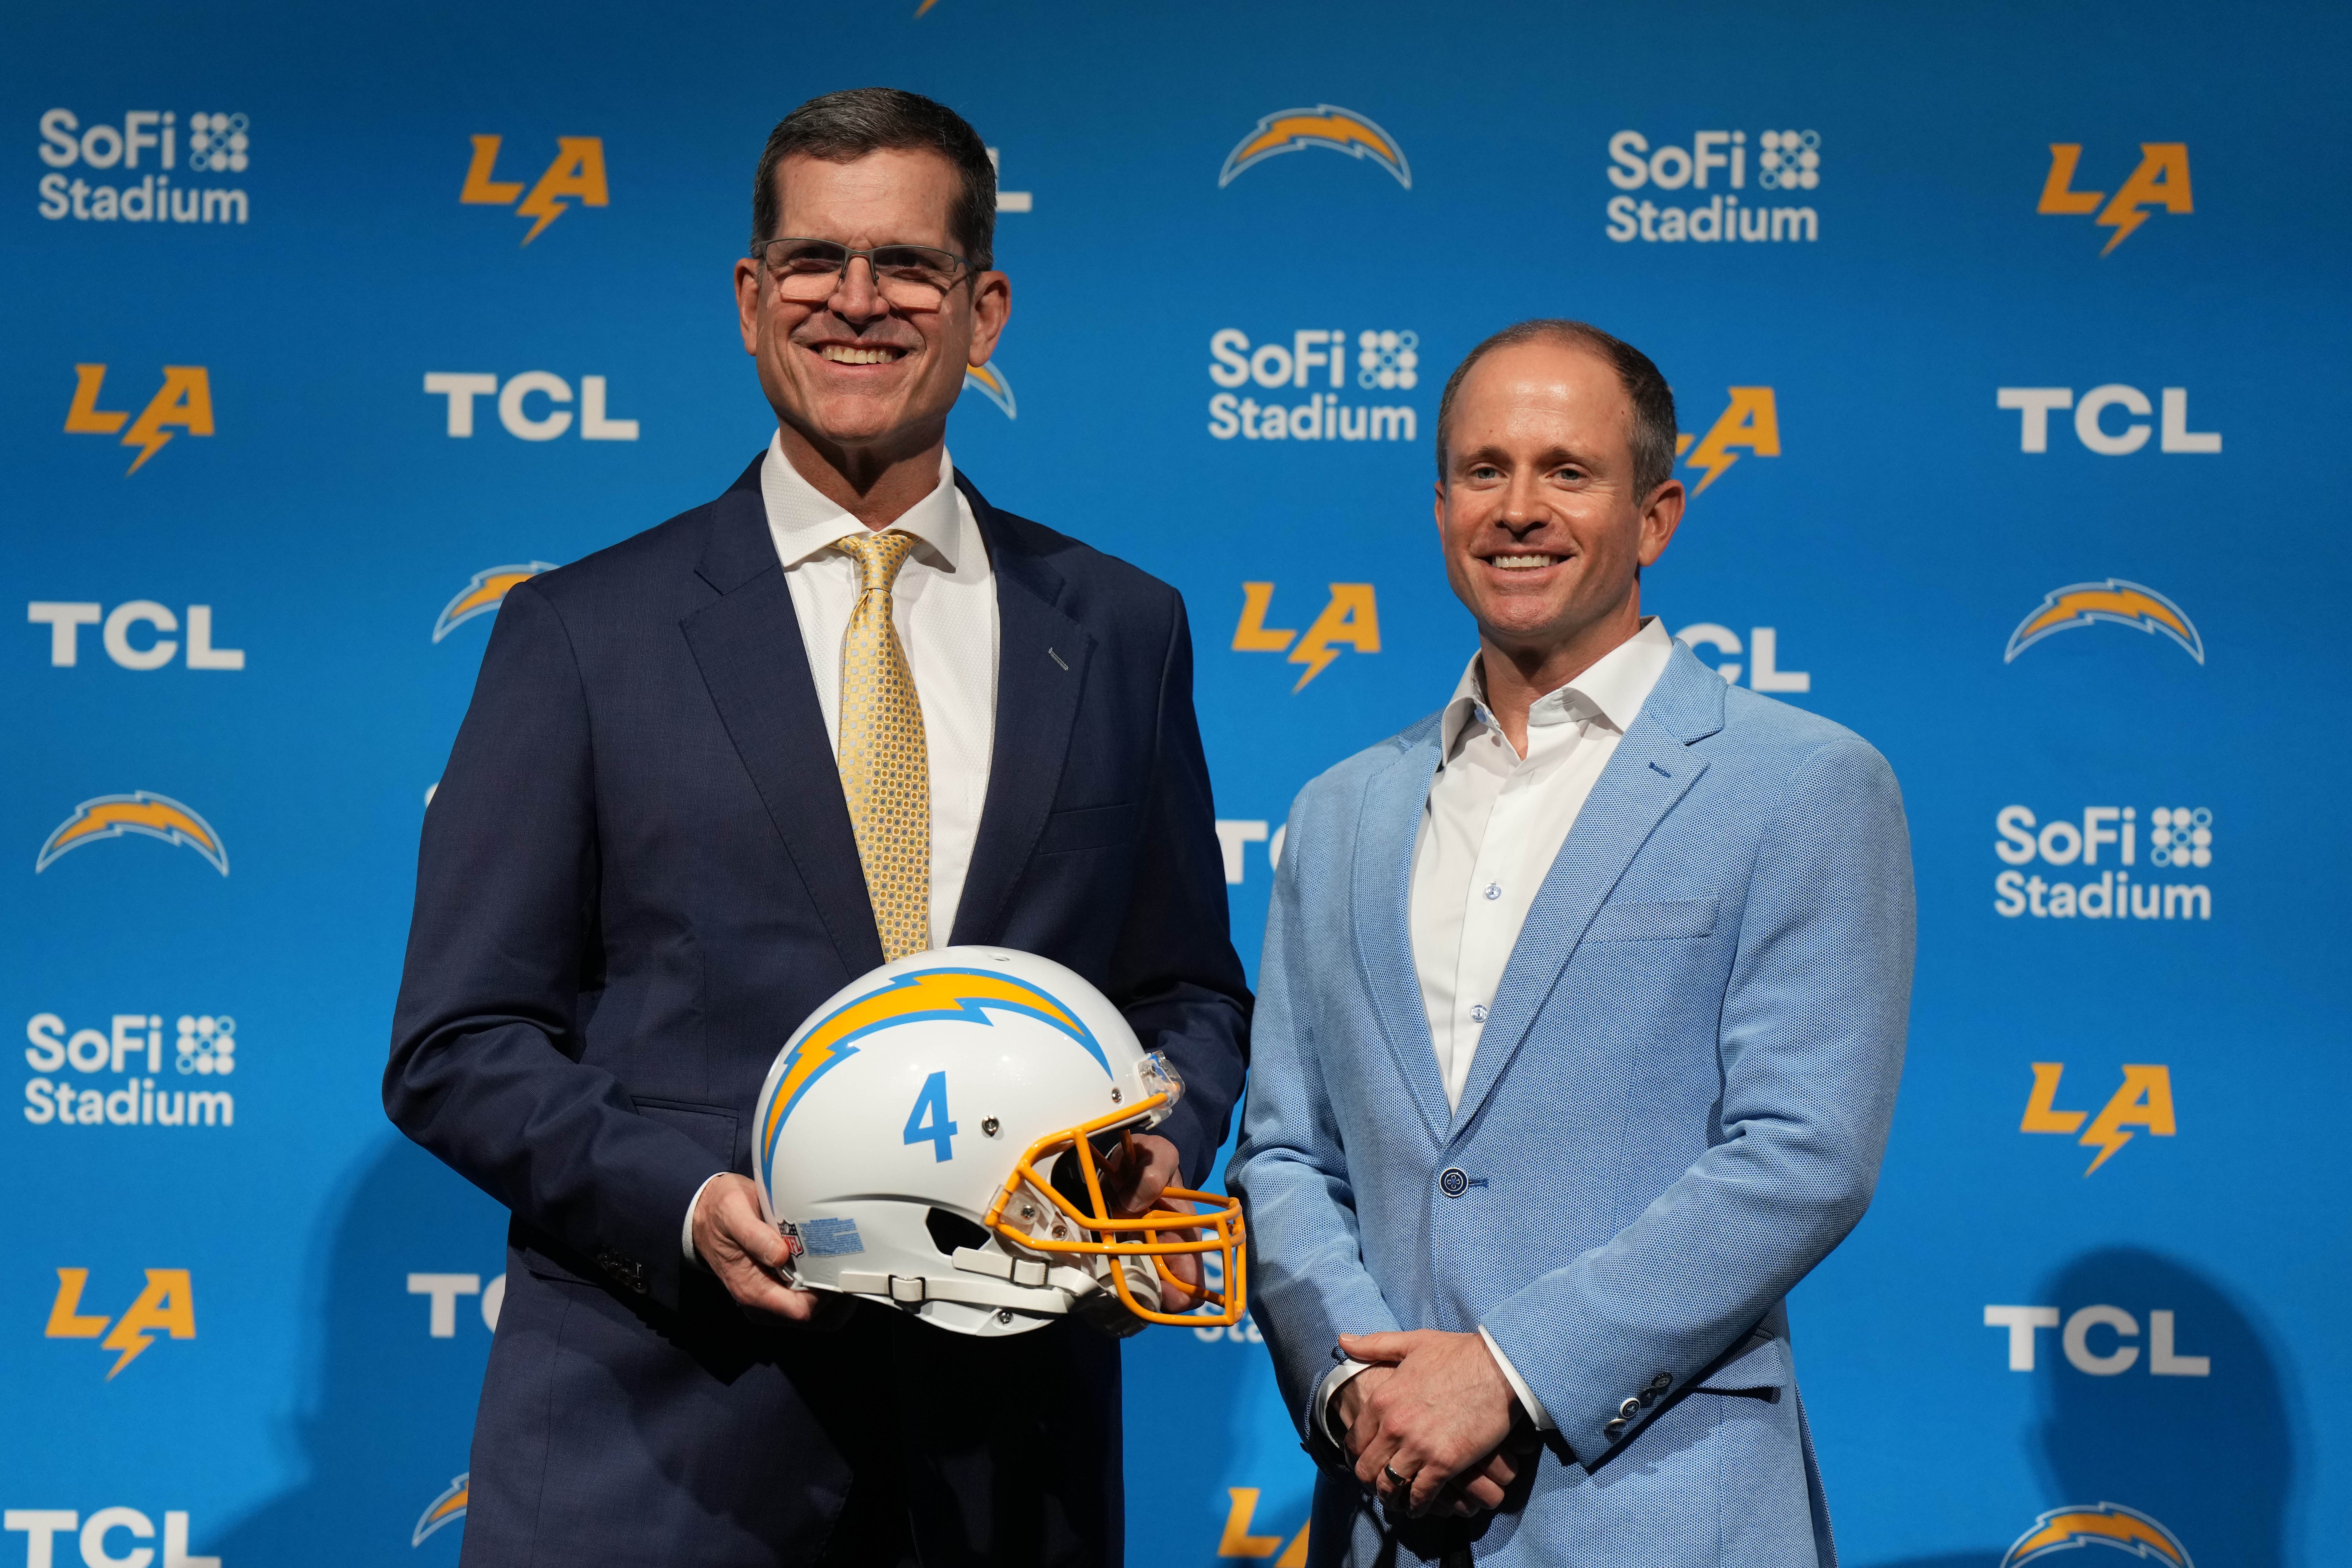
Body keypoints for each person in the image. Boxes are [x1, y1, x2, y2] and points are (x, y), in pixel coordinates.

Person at [386, 87, 1250, 1568]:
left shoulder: (1121, 628)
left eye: (907, 265)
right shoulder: (582, 634)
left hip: (1004, 1463)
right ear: (751, 300)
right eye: (813, 262)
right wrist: (685, 1200)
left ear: (984, 312)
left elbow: (1187, 991)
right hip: (659, 1451)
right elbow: (459, 1041)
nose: (857, 301)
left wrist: (1153, 1143)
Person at [1228, 320, 1912, 1567]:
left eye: (1568, 472)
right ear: (1442, 509)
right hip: (1388, 1515)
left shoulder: (1802, 783)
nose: (1518, 509)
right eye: (1483, 471)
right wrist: (1355, 1390)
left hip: (1668, 1513)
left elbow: (1805, 1153)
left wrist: (1508, 1370)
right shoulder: (1338, 811)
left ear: (1655, 517)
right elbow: (1285, 1151)